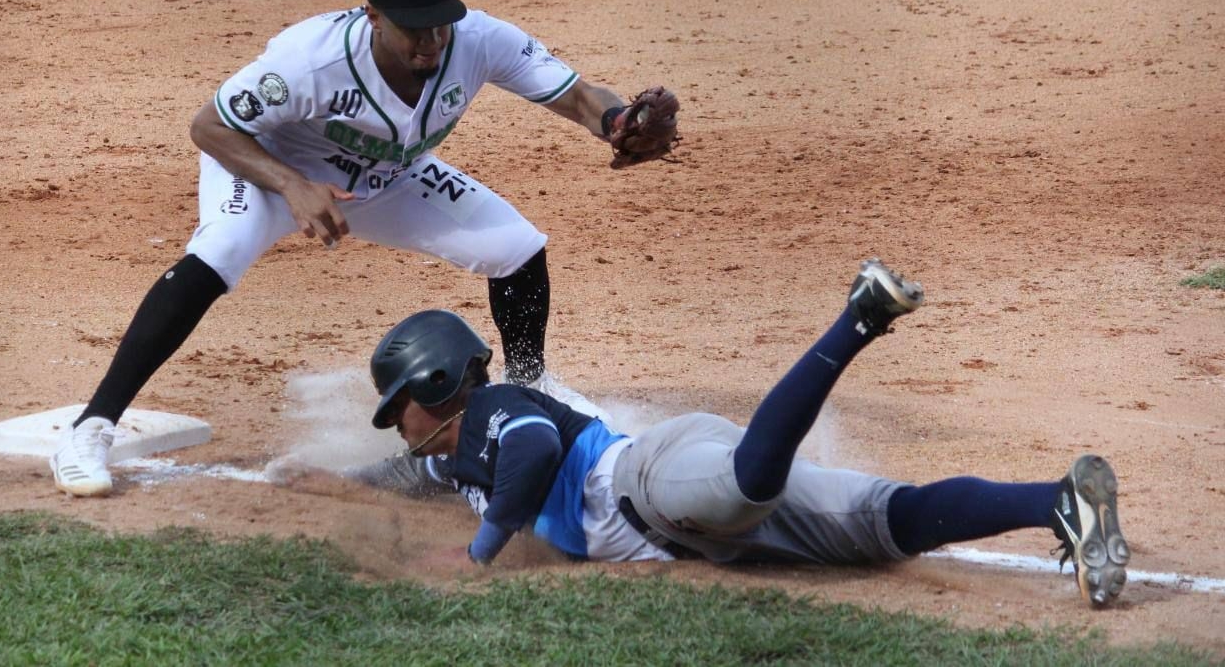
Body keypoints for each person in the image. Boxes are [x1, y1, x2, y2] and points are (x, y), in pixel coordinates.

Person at [51, 0, 666, 497]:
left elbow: (581, 95)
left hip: (385, 177)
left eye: (439, 26)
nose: (430, 43)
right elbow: (210, 127)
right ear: (372, 15)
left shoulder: (477, 40)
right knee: (222, 250)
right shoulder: (309, 59)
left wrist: (619, 123)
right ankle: (92, 427)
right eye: (412, 29)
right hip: (268, 166)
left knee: (515, 246)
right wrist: (292, 186)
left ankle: (532, 386)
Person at [347, 258, 1130, 608]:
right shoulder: (455, 459)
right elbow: (410, 478)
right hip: (693, 526)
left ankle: (858, 318)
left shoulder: (494, 414)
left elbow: (536, 453)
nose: (397, 427)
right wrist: (320, 481)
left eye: (397, 410)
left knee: (740, 487)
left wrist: (481, 555)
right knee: (895, 522)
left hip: (647, 482)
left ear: (439, 388)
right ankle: (1062, 500)